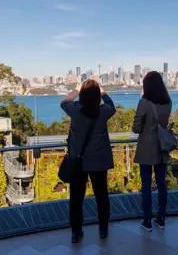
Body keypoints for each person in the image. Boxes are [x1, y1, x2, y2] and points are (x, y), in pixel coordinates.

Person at [60, 80, 116, 243]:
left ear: (83, 96)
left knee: (76, 198)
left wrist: (77, 89)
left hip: (79, 161)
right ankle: (103, 229)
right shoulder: (104, 111)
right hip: (98, 161)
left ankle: (76, 232)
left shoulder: (75, 110)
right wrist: (103, 92)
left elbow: (64, 101)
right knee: (102, 195)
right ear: (97, 96)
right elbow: (112, 105)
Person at [132, 71, 172, 231]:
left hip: (146, 148)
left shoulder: (144, 102)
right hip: (162, 146)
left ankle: (147, 221)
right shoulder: (168, 101)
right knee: (162, 184)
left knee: (146, 185)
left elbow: (136, 127)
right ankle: (161, 218)